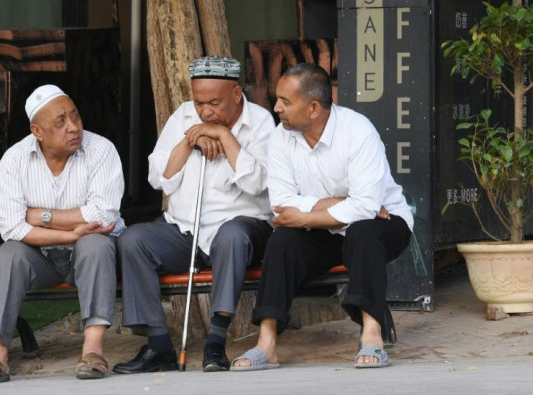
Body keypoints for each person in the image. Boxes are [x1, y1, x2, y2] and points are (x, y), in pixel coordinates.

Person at [231, 63, 413, 371]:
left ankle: (372, 334)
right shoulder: (281, 139)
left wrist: (307, 216)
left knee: (363, 231)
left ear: (314, 108)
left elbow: (367, 207)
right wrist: (340, 202)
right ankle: (267, 343)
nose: (276, 108)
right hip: (326, 233)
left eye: (285, 102)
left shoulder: (357, 131)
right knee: (282, 241)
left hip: (385, 224)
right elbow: (283, 204)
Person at [113, 56, 275, 374]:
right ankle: (159, 346)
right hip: (184, 229)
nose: (205, 111)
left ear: (236, 93)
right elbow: (158, 178)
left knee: (232, 235)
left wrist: (226, 138)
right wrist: (189, 140)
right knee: (133, 240)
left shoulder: (260, 123)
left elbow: (259, 184)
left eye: (214, 102)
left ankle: (216, 342)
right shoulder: (184, 116)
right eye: (199, 102)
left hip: (242, 226)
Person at [0, 84, 126, 385]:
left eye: (75, 116)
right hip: (40, 257)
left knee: (95, 243)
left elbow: (102, 215)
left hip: (89, 255)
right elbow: (11, 227)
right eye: (61, 122)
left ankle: (92, 350)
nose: (73, 127)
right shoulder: (15, 160)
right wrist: (70, 233)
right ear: (37, 131)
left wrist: (41, 216)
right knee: (8, 254)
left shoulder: (101, 150)